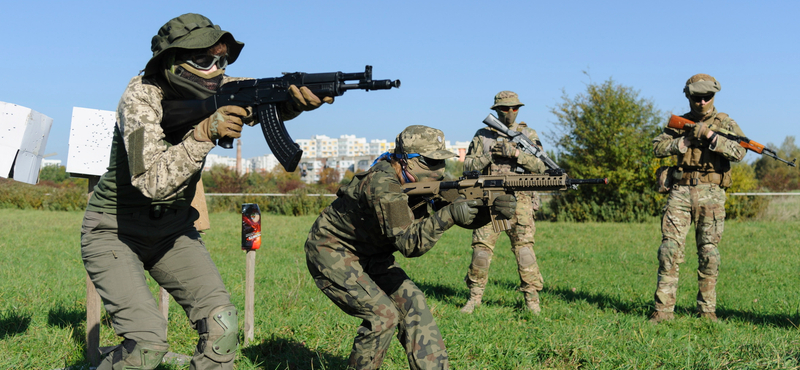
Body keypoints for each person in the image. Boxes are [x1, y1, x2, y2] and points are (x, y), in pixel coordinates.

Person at [80, 13, 331, 369]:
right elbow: (152, 183)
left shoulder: (222, 87)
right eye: (204, 60)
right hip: (114, 231)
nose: (217, 69)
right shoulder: (139, 99)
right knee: (147, 347)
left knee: (223, 326)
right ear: (171, 63)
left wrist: (291, 102)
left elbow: (265, 99)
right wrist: (202, 135)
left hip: (173, 230)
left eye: (223, 60)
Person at [304, 125, 517, 370]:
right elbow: (410, 244)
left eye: (441, 161)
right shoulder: (383, 184)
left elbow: (462, 211)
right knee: (382, 316)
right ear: (407, 161)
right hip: (332, 249)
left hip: (372, 253)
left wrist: (489, 211)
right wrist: (448, 215)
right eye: (431, 161)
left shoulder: (425, 179)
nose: (439, 170)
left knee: (413, 302)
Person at [649, 73, 747, 324]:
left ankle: (707, 311)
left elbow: (740, 152)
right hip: (680, 191)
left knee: (709, 254)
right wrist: (683, 141)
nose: (702, 102)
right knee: (669, 250)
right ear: (688, 96)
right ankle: (663, 311)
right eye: (697, 97)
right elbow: (656, 147)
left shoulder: (726, 123)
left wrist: (713, 138)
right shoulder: (679, 123)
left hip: (711, 194)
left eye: (707, 97)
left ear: (714, 97)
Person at [460, 91, 548, 314]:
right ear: (496, 110)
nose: (510, 113)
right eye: (505, 109)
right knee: (481, 251)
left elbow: (541, 167)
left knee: (524, 251)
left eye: (515, 108)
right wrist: (488, 156)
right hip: (489, 200)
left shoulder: (528, 134)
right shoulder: (483, 135)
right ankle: (474, 298)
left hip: (521, 202)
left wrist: (516, 154)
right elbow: (468, 167)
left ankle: (532, 302)